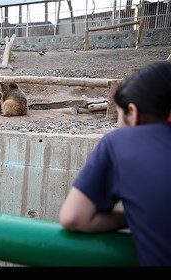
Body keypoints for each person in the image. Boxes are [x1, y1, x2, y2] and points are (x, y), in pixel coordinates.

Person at [59, 61, 171, 266]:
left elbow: (73, 217)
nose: (118, 126)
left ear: (133, 113)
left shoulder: (120, 142)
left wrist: (135, 216)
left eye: (119, 117)